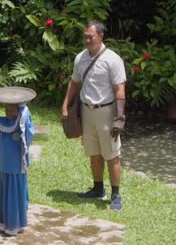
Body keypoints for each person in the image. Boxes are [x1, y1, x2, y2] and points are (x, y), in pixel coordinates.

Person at [61, 20, 126, 211]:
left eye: (91, 36)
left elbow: (119, 90)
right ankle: (98, 189)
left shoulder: (113, 60)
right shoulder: (80, 58)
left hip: (106, 112)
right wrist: (65, 105)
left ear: (101, 36)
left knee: (112, 154)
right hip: (86, 112)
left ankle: (115, 194)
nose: (87, 40)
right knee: (93, 152)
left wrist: (119, 117)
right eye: (85, 36)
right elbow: (74, 83)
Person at [0, 99, 35, 236]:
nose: (8, 112)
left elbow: (29, 126)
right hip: (4, 166)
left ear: (18, 111)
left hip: (17, 167)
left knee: (14, 195)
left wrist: (23, 105)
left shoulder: (22, 124)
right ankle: (4, 221)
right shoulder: (2, 123)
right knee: (5, 194)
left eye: (12, 109)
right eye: (6, 109)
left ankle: (15, 224)